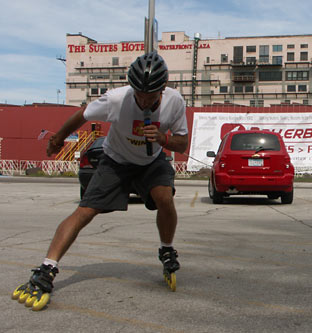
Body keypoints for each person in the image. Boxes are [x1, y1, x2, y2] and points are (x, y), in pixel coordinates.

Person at [12, 51, 188, 310]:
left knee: (165, 198)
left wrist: (163, 139)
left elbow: (182, 143)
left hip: (151, 162)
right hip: (116, 161)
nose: (143, 100)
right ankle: (47, 268)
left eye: (150, 96)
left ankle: (166, 249)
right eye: (139, 93)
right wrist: (58, 138)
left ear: (162, 89)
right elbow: (82, 115)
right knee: (85, 211)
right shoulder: (117, 99)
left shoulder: (175, 101)